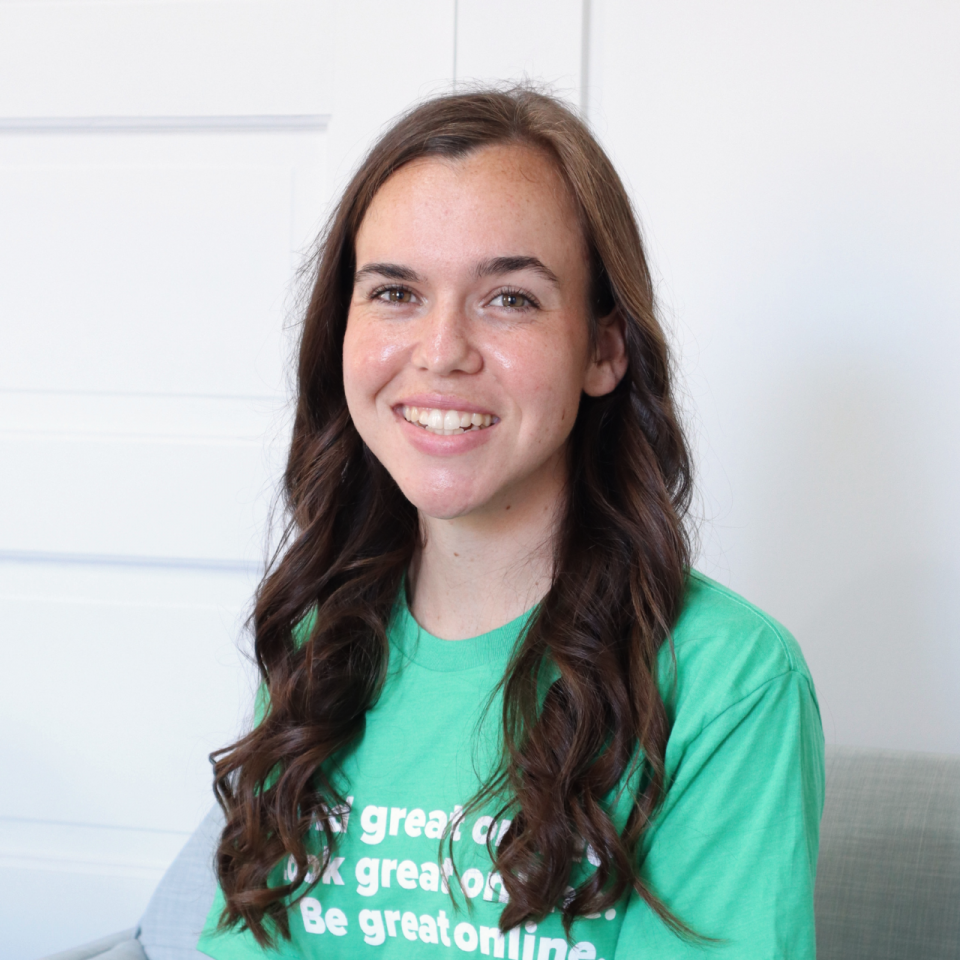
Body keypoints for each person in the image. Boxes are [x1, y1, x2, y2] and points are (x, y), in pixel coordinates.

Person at [197, 87, 824, 960]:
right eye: (395, 293)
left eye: (511, 299)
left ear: (605, 349)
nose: (443, 349)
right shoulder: (317, 638)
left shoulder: (728, 683)